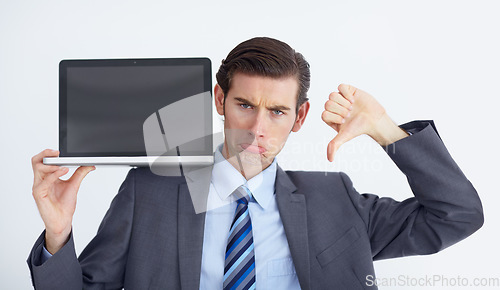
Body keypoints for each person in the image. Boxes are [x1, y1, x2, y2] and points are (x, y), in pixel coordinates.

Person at [28, 37, 483, 290]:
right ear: (220, 101)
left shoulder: (336, 201)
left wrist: (385, 128)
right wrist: (58, 234)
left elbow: (457, 215)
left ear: (300, 117)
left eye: (278, 112)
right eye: (244, 105)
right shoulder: (148, 190)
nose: (256, 129)